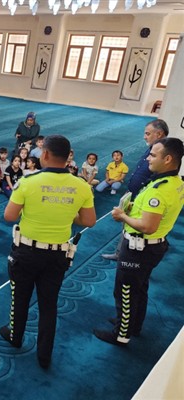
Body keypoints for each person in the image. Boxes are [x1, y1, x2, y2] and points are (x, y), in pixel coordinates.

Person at [0, 134, 96, 368]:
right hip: (57, 254)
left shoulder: (28, 181)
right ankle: (44, 354)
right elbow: (88, 221)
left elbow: (9, 216)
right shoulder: (82, 185)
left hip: (26, 252)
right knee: (49, 304)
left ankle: (15, 337)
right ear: (68, 156)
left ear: (44, 154)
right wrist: (66, 214)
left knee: (20, 298)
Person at [94, 138, 183, 346]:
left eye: (153, 155)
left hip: (139, 248)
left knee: (125, 291)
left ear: (168, 159)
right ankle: (133, 325)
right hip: (154, 246)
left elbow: (147, 226)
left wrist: (122, 216)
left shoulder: (158, 190)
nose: (148, 158)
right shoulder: (176, 183)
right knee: (139, 287)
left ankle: (121, 334)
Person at [102, 119, 169, 260]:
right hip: (134, 193)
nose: (144, 137)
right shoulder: (152, 147)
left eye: (147, 133)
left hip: (143, 197)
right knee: (127, 225)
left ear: (159, 134)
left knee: (135, 226)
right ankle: (121, 253)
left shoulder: (163, 153)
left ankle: (127, 256)